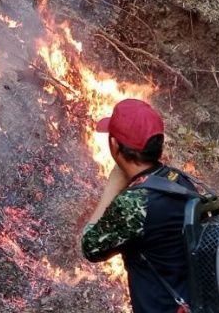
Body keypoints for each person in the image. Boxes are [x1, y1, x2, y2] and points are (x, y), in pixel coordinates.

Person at [81, 98, 199, 313]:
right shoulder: (178, 180)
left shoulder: (137, 202)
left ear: (115, 145)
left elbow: (90, 246)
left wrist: (112, 186)